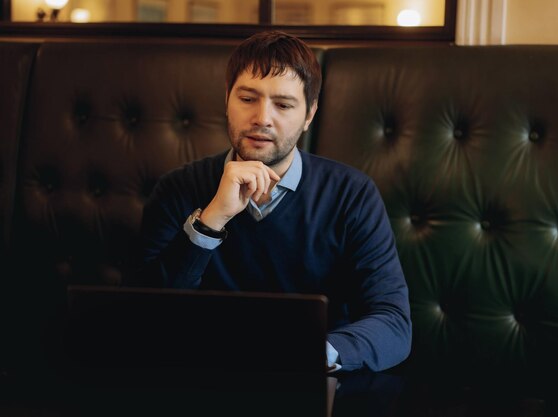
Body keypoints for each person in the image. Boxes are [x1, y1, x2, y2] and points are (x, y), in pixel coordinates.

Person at [138, 30, 411, 372]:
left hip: (311, 380)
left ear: (309, 115)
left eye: (283, 104)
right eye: (248, 98)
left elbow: (392, 322)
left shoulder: (352, 195)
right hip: (201, 377)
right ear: (226, 100)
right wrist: (210, 221)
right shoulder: (177, 188)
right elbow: (142, 314)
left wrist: (313, 353)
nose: (262, 118)